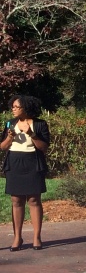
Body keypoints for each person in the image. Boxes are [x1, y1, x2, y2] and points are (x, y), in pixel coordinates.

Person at [2, 95, 50, 251]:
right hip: (15, 163)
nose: (13, 109)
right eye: (13, 106)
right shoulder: (10, 123)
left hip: (33, 164)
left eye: (17, 107)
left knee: (34, 200)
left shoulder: (40, 124)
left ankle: (37, 237)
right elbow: (2, 147)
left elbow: (43, 147)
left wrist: (31, 133)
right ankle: (17, 238)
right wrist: (9, 138)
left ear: (26, 108)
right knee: (16, 200)